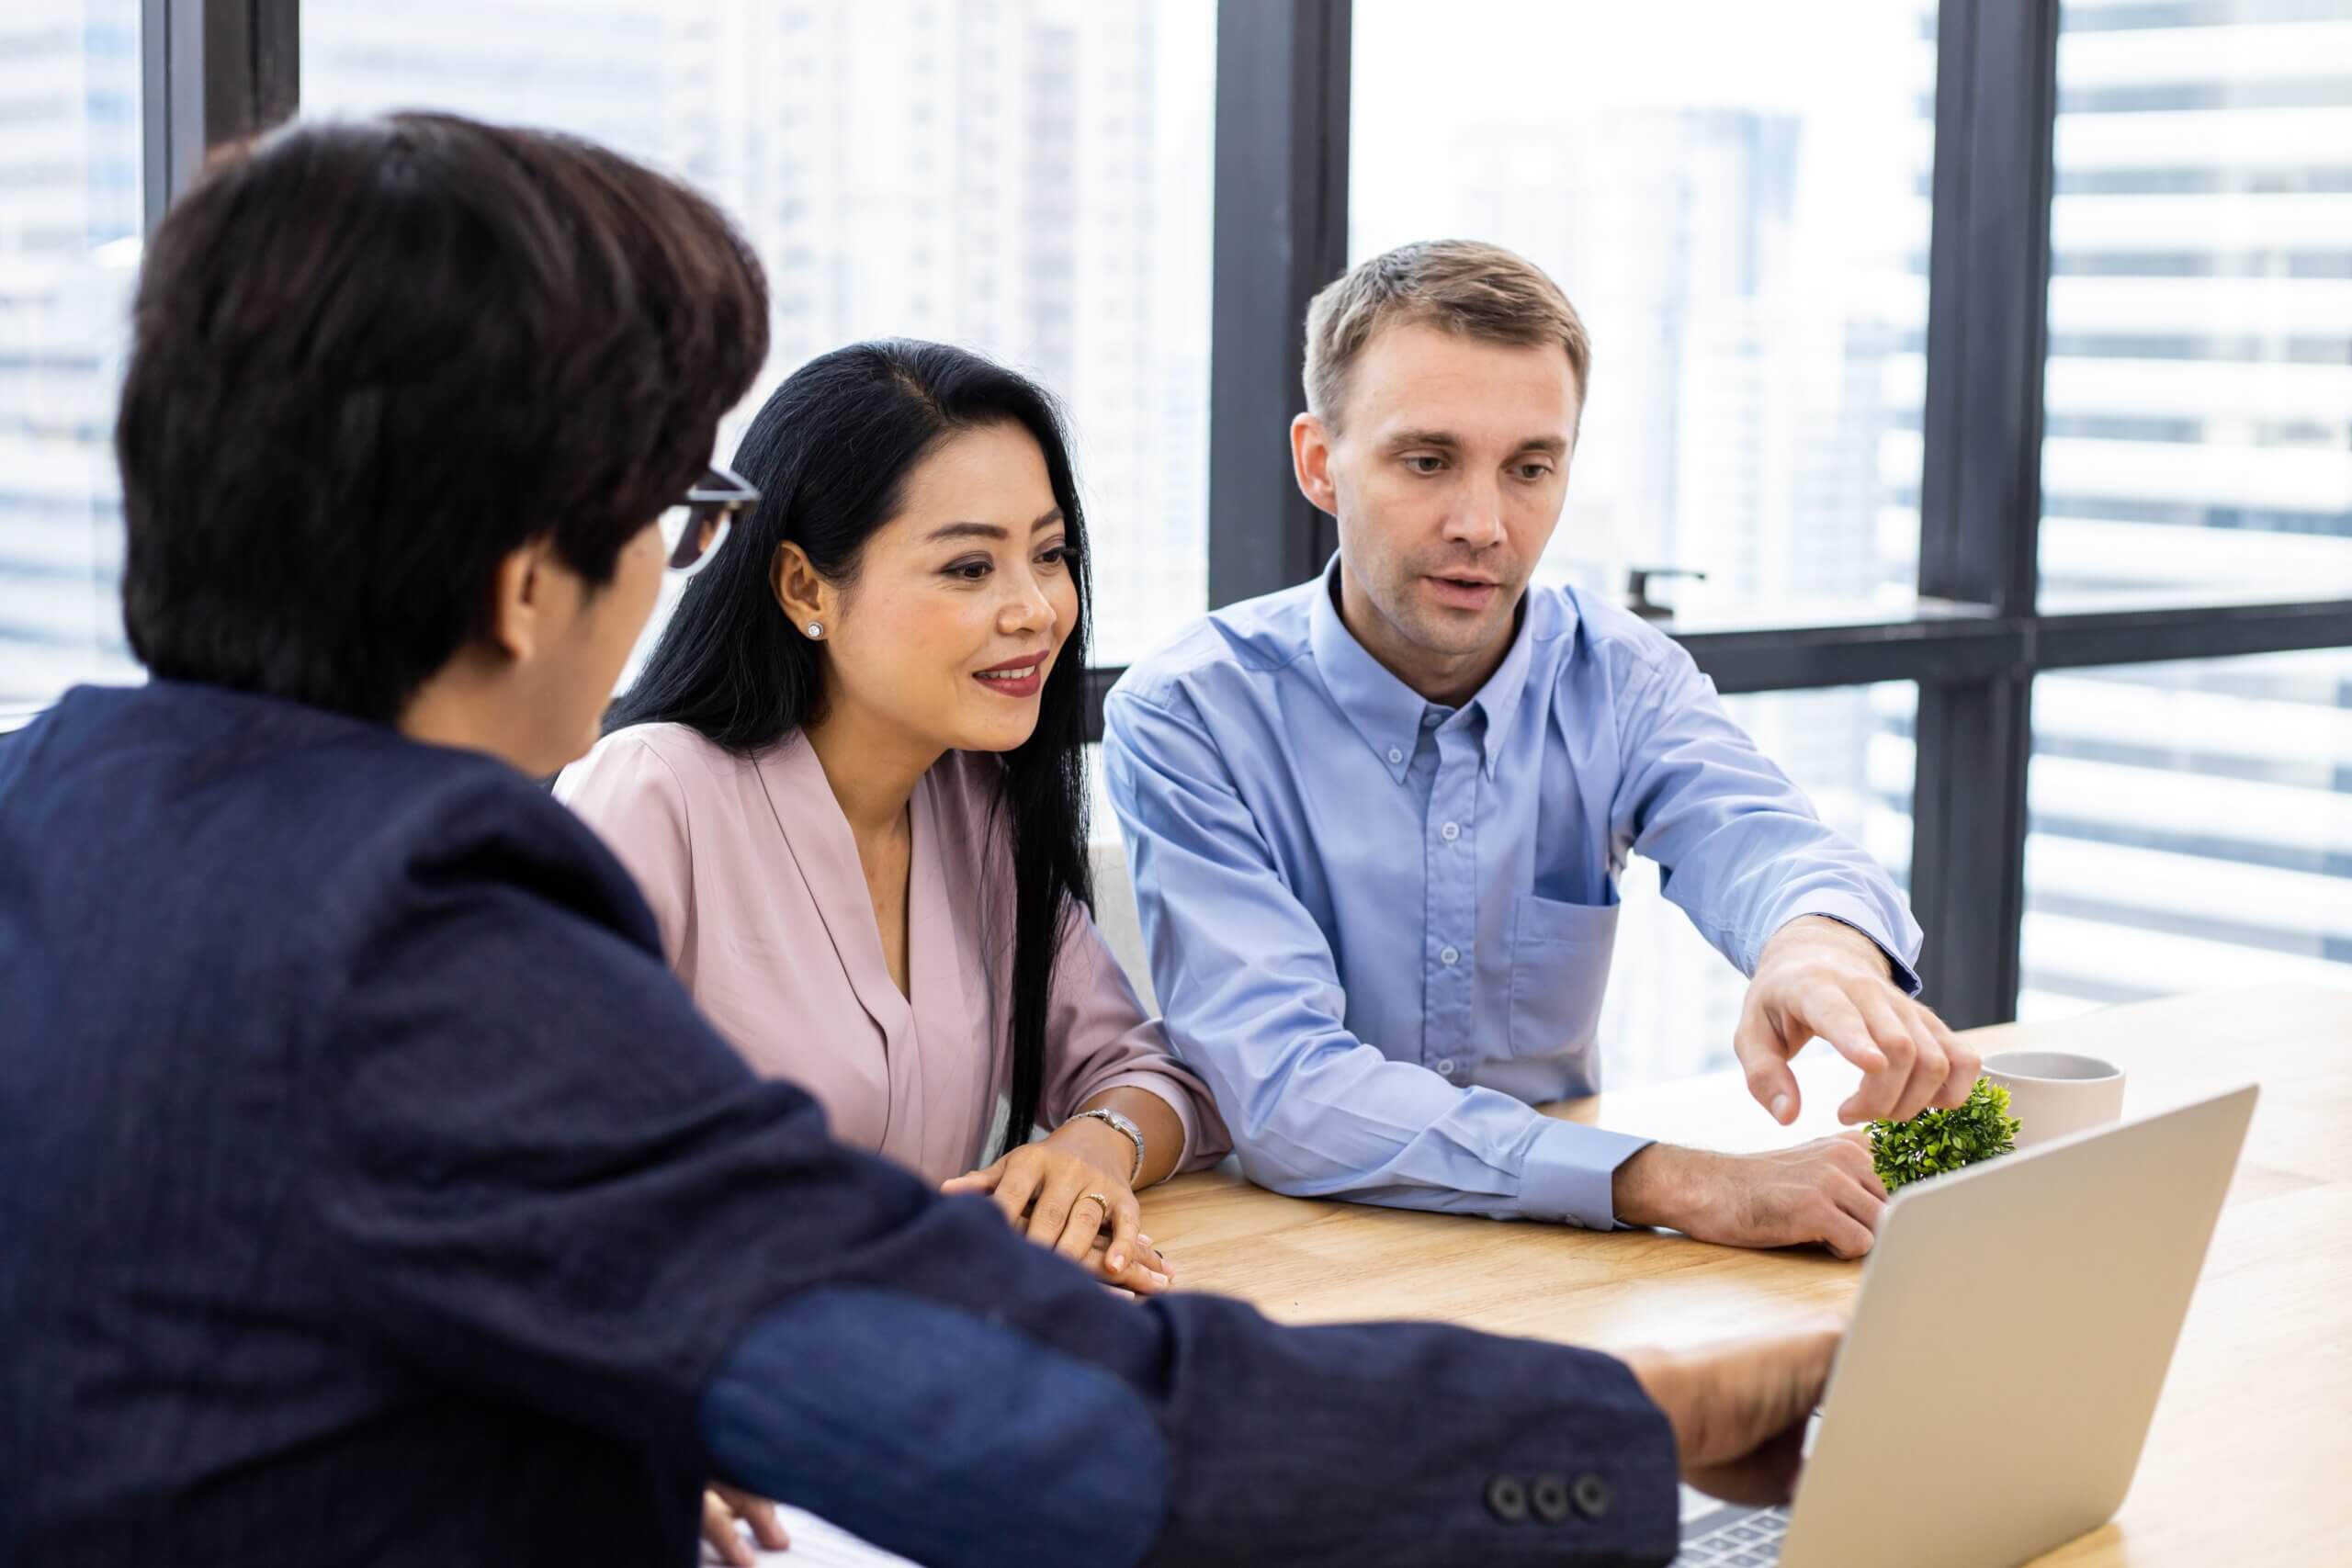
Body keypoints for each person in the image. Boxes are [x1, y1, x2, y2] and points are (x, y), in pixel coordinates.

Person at [0, 116, 1839, 1568]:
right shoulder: (425, 929)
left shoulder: (54, 809)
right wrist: (1650, 1416)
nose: (674, 560)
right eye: (673, 506)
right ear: (519, 580)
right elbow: (1042, 1432)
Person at [1102, 240, 1979, 1256]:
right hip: (1303, 1256)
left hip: (1572, 1253)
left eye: (1529, 468)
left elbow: (1763, 837)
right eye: (1426, 461)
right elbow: (1289, 1093)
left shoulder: (1618, 676)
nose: (1483, 524)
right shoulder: (1190, 713)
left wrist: (1816, 949)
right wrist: (1682, 1184)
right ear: (1319, 464)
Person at [557, 340, 1228, 1297]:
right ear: (804, 588)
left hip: (915, 1372)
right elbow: (558, 1181)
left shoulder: (973, 805)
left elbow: (1154, 1073)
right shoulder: (651, 796)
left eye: (1048, 555)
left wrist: (1091, 1147)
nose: (1036, 609)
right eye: (967, 567)